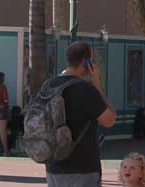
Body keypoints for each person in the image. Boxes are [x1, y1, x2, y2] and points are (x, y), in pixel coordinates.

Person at [43, 41, 117, 186]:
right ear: (86, 62)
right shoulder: (84, 88)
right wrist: (97, 83)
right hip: (82, 168)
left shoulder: (49, 86)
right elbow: (110, 119)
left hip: (53, 166)